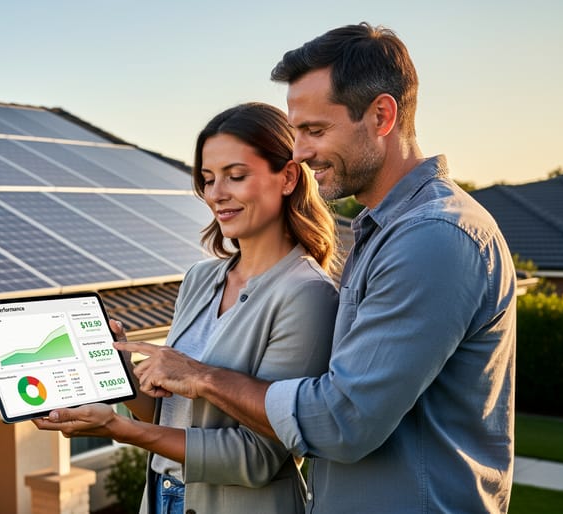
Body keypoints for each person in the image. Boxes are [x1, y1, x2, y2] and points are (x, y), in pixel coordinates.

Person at [113, 23, 518, 513]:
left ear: (381, 116)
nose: (300, 152)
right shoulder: (383, 232)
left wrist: (200, 378)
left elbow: (341, 421)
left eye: (314, 130)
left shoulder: (433, 238)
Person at [34, 102, 339, 514]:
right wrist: (122, 370)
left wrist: (121, 430)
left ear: (286, 177)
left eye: (236, 176)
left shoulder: (307, 295)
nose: (216, 194)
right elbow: (167, 413)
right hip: (160, 497)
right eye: (208, 179)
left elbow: (259, 458)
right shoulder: (200, 278)